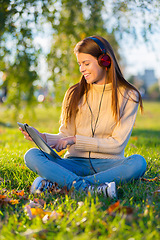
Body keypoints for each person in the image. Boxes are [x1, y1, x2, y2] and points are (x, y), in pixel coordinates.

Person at [19, 36, 147, 198]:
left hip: (109, 165)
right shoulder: (74, 93)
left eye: (86, 63)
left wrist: (75, 140)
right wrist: (42, 137)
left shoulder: (129, 95)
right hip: (72, 163)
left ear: (104, 61)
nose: (82, 69)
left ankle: (62, 183)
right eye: (80, 64)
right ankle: (90, 188)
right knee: (32, 155)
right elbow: (64, 136)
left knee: (138, 163)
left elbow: (117, 145)